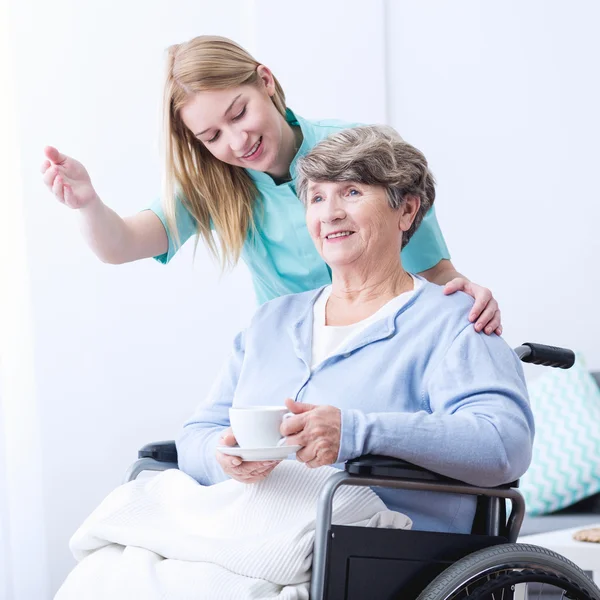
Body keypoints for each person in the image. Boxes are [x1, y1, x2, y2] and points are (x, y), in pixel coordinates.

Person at [177, 125, 533, 533]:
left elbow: (504, 443)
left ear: (407, 210)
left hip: (372, 551)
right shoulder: (270, 322)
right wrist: (223, 458)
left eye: (351, 192)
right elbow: (196, 435)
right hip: (247, 528)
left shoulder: (454, 320)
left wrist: (358, 431)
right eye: (316, 197)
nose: (330, 213)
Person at [41, 35, 502, 334]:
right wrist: (87, 205)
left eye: (239, 113)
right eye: (211, 136)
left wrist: (472, 298)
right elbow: (119, 244)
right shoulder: (216, 184)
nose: (237, 142)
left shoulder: (365, 151)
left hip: (388, 340)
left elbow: (435, 272)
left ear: (266, 81)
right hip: (297, 355)